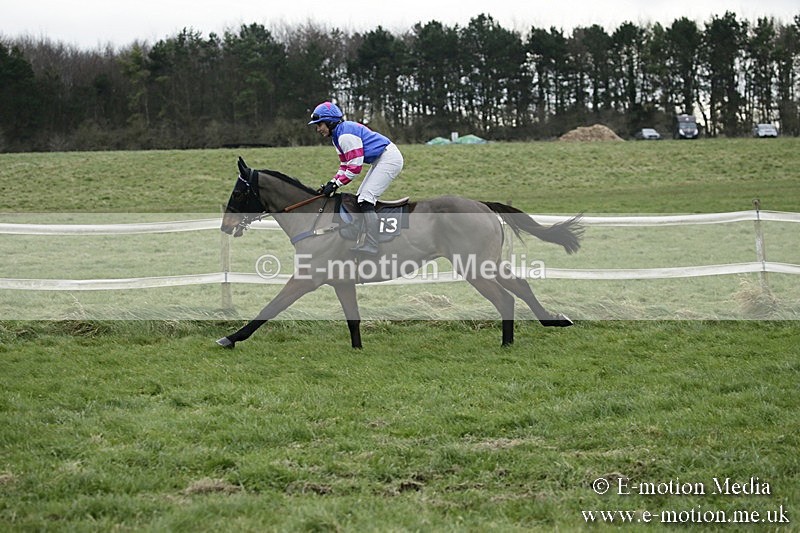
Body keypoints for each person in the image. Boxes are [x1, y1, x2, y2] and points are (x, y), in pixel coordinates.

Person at [308, 101, 404, 255]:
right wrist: (332, 182)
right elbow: (345, 164)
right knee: (360, 199)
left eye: (320, 124)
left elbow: (355, 168)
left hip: (389, 158)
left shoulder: (345, 135)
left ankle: (373, 245)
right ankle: (364, 238)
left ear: (330, 122)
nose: (318, 129)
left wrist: (336, 184)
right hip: (381, 158)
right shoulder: (337, 136)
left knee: (365, 199)